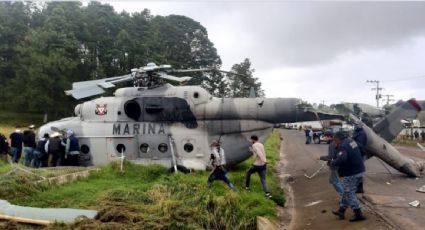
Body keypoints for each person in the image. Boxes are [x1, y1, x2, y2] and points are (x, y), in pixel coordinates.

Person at [330, 131, 366, 222]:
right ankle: (341, 211)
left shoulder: (343, 146)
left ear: (338, 138)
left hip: (352, 173)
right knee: (347, 191)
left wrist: (332, 162)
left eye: (335, 140)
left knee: (349, 192)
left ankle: (358, 213)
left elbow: (342, 158)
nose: (335, 142)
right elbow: (362, 150)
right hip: (359, 170)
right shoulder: (351, 141)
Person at [352, 125, 367, 193]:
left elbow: (359, 145)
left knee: (358, 171)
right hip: (358, 154)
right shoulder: (357, 132)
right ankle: (358, 187)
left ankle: (359, 188)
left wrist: (352, 144)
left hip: (360, 154)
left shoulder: (361, 133)